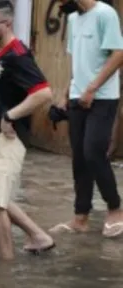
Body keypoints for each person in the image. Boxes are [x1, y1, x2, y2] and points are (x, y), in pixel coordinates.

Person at [0, 0, 55, 260]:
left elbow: (43, 93)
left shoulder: (17, 55)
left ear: (7, 24)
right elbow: (2, 91)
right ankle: (38, 236)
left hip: (6, 138)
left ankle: (5, 269)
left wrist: (9, 116)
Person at [50, 0, 123, 237]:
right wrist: (65, 92)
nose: (60, 3)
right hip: (76, 97)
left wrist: (92, 88)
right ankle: (80, 217)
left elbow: (119, 54)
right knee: (79, 158)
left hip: (102, 97)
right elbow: (77, 61)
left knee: (93, 152)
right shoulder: (73, 19)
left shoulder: (105, 14)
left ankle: (115, 208)